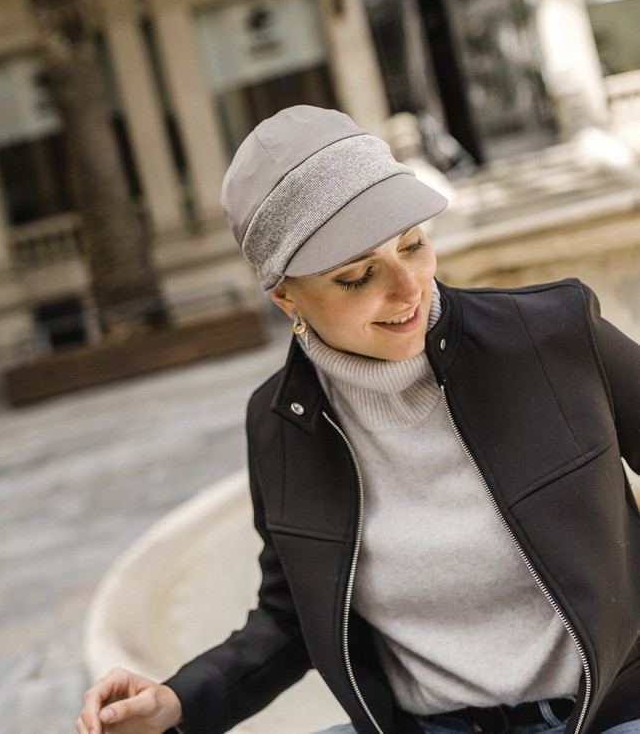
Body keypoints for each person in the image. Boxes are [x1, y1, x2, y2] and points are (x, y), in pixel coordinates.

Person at [75, 106, 640, 734]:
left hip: (609, 712)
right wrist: (178, 700)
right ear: (285, 297)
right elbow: (292, 616)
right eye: (357, 276)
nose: (408, 288)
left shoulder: (554, 335)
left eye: (413, 245)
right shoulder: (279, 426)